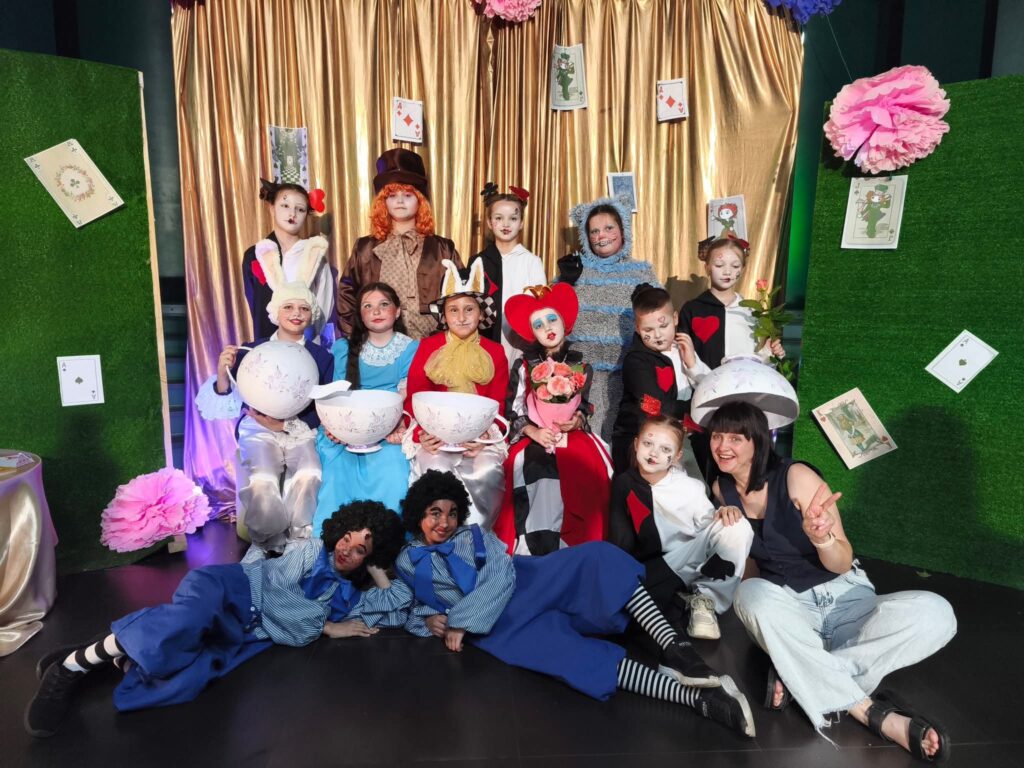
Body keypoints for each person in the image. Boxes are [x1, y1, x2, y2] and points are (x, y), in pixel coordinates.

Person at [394, 470, 755, 738]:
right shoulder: (406, 560)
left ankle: (675, 648)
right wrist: (425, 621)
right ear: (417, 514)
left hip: (527, 583)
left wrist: (460, 620)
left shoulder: (474, 536)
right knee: (574, 660)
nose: (444, 522)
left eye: (451, 513)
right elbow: (407, 603)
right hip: (502, 628)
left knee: (598, 557)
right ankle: (696, 699)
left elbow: (501, 574)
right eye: (434, 513)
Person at [24, 502, 408, 737]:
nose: (346, 548)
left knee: (181, 684)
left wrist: (377, 567)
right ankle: (70, 667)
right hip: (231, 589)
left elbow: (397, 601)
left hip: (241, 634)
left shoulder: (347, 594)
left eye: (361, 549)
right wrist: (324, 626)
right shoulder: (309, 551)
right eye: (347, 537)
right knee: (185, 623)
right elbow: (277, 596)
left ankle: (113, 651)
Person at [708, 401, 955, 761]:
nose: (722, 446)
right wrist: (766, 619)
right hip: (789, 607)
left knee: (937, 613)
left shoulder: (797, 477)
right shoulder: (721, 489)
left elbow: (841, 562)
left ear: (757, 441)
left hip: (845, 599)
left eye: (735, 438)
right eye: (717, 436)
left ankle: (803, 674)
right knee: (749, 594)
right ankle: (874, 714)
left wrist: (821, 538)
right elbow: (750, 567)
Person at [195, 282, 334, 554]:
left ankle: (299, 541)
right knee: (263, 477)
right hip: (258, 427)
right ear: (275, 312)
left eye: (304, 308)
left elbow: (323, 405)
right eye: (288, 306)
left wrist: (285, 425)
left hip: (299, 429)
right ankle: (268, 542)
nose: (296, 313)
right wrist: (223, 372)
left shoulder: (322, 357)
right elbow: (228, 399)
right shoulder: (253, 350)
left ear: (312, 315)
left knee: (310, 472)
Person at [492, 283, 613, 555]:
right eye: (538, 324)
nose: (547, 327)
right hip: (535, 436)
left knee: (590, 469)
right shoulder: (524, 365)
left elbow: (585, 405)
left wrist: (577, 420)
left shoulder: (582, 365)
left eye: (551, 319)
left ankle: (582, 546)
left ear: (564, 322)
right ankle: (534, 546)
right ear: (532, 333)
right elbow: (513, 408)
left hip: (572, 435)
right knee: (534, 468)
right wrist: (532, 431)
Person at [609, 415, 752, 640]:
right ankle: (682, 598)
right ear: (636, 444)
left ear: (677, 456)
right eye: (648, 443)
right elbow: (620, 540)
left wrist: (726, 512)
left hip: (692, 561)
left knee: (737, 524)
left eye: (665, 448)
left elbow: (710, 525)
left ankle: (706, 602)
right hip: (654, 570)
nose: (654, 453)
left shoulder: (690, 487)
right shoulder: (623, 483)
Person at [403, 259, 510, 529]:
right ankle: (437, 536)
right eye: (453, 310)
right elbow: (414, 397)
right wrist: (422, 434)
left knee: (487, 470)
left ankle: (476, 536)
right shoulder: (428, 347)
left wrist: (485, 438)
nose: (461, 317)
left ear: (481, 313)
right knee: (436, 469)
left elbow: (498, 403)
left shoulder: (495, 352)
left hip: (477, 438)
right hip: (437, 438)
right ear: (444, 315)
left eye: (469, 309)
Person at [675, 237, 786, 477]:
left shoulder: (752, 311)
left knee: (746, 467)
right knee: (710, 465)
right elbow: (685, 358)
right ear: (707, 266)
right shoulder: (692, 310)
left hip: (746, 404)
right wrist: (703, 378)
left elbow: (757, 362)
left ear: (743, 268)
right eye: (719, 265)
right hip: (707, 401)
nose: (727, 272)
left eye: (735, 266)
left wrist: (771, 352)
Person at [313, 282, 419, 533]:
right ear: (360, 315)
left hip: (389, 426)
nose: (376, 311)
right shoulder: (343, 348)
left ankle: (386, 538)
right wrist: (336, 427)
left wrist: (394, 426)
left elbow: (405, 393)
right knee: (337, 469)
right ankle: (335, 538)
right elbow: (337, 394)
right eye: (368, 306)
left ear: (397, 311)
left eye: (384, 304)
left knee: (394, 467)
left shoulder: (410, 348)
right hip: (347, 426)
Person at [556, 196, 660, 443]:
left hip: (627, 375)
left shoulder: (641, 272)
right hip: (582, 375)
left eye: (609, 228)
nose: (601, 235)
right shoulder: (576, 269)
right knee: (585, 441)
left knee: (623, 439)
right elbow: (553, 317)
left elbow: (658, 317)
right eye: (594, 231)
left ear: (623, 229)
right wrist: (564, 285)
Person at [337, 149, 462, 340]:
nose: (400, 201)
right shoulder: (365, 248)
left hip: (431, 345)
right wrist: (357, 339)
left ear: (420, 201)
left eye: (408, 195)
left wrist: (444, 342)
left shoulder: (442, 248)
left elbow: (460, 296)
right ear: (383, 202)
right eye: (392, 195)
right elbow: (346, 296)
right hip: (378, 344)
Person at [242, 179, 333, 345]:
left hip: (304, 344)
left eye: (300, 209)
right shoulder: (255, 254)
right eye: (285, 206)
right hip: (267, 343)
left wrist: (311, 342)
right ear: (272, 208)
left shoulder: (315, 254)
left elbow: (323, 304)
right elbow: (254, 303)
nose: (292, 214)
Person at [610, 283, 688, 474]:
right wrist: (691, 412)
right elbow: (653, 404)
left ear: (675, 318)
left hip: (672, 437)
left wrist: (693, 363)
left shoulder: (683, 348)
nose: (657, 335)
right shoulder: (636, 361)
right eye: (648, 330)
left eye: (663, 326)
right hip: (637, 443)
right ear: (637, 328)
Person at [468, 182, 546, 364]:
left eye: (513, 218)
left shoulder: (531, 262)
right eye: (499, 218)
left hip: (520, 342)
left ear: (521, 223)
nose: (506, 224)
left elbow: (539, 306)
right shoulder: (478, 261)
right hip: (485, 341)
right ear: (489, 222)